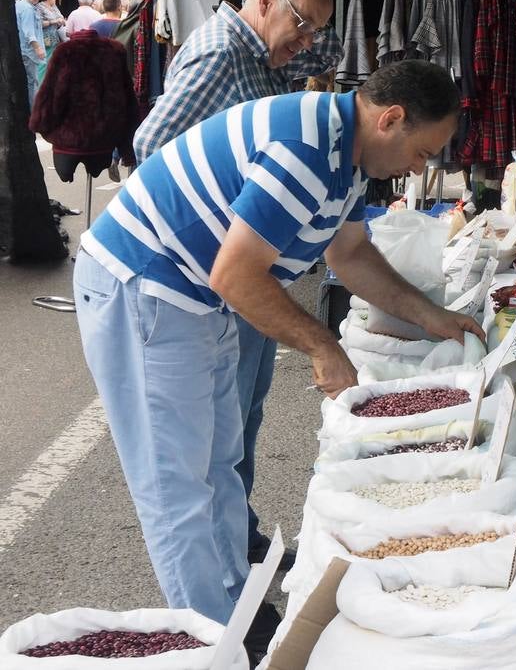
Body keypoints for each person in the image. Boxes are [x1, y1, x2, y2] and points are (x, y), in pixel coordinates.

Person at [72, 59, 483, 645]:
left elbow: (351, 256)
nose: (421, 168)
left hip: (195, 295)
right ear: (392, 119)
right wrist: (322, 345)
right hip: (149, 287)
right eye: (423, 152)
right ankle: (215, 645)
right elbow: (237, 276)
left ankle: (238, 614)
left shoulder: (346, 150)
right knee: (178, 488)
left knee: (218, 468)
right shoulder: (307, 148)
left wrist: (432, 317)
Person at [132, 0, 334, 572]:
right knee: (223, 425)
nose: (304, 43)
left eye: (314, 34)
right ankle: (226, 566)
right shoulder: (223, 53)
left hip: (238, 269)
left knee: (243, 412)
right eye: (301, 26)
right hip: (216, 272)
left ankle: (238, 538)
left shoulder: (255, 57)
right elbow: (151, 145)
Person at [15, 0, 46, 107]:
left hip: (24, 50)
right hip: (29, 51)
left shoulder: (20, 5)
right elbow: (29, 33)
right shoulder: (27, 9)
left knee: (29, 81)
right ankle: (34, 112)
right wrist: (38, 48)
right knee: (33, 82)